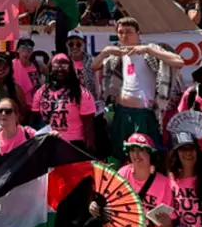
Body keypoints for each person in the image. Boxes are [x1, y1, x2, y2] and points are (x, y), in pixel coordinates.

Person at [95, 17, 185, 161]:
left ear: (138, 33)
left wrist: (149, 49)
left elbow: (179, 62)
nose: (124, 36)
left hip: (144, 114)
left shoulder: (150, 50)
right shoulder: (117, 54)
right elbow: (94, 66)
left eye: (129, 32)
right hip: (121, 113)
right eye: (121, 32)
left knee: (145, 155)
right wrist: (105, 51)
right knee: (120, 154)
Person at [32, 54, 96, 151]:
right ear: (50, 68)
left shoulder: (81, 93)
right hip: (48, 143)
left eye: (65, 66)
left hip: (73, 145)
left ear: (70, 69)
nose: (60, 69)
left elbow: (89, 126)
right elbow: (35, 119)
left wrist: (89, 149)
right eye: (56, 66)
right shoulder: (41, 92)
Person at [0, 97, 35, 166]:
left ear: (17, 115)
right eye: (0, 111)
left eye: (8, 111)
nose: (3, 113)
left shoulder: (29, 133)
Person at [66, 29, 100, 102]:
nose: (74, 47)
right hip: (68, 101)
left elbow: (98, 85)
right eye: (71, 44)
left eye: (78, 44)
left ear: (83, 45)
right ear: (66, 45)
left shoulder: (92, 62)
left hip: (89, 101)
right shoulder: (64, 62)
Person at [12, 37, 46, 106]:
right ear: (17, 50)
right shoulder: (11, 65)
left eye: (29, 48)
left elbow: (52, 75)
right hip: (18, 106)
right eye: (23, 47)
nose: (26, 50)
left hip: (36, 105)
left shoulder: (38, 65)